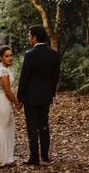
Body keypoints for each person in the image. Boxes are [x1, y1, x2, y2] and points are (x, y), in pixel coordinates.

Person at [17, 25, 60, 166]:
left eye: (30, 35)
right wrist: (51, 92)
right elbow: (55, 77)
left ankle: (34, 158)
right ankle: (45, 156)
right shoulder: (54, 54)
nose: (29, 37)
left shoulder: (30, 55)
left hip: (31, 97)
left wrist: (19, 96)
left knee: (32, 127)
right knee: (44, 125)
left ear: (35, 37)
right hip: (45, 96)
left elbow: (24, 78)